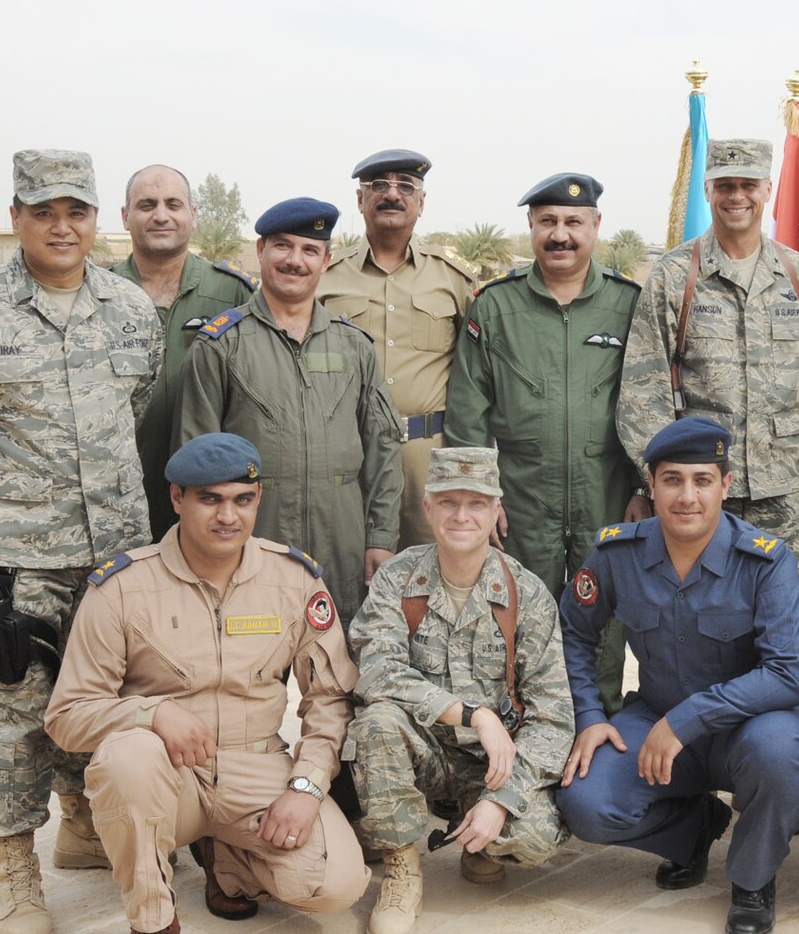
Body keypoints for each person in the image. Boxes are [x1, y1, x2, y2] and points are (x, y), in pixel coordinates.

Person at [0, 148, 161, 934]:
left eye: (75, 211)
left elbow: (137, 401)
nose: (61, 225)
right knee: (16, 713)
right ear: (15, 217)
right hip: (14, 560)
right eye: (43, 210)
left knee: (111, 703)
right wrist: (4, 492)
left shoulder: (130, 311)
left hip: (116, 556)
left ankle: (84, 825)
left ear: (95, 221)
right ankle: (14, 868)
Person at [44, 433, 370, 934]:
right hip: (169, 773)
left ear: (258, 499)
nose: (229, 516)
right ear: (176, 498)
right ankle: (152, 926)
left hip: (256, 763)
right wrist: (150, 715)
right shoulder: (122, 588)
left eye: (243, 500)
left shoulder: (294, 581)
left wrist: (307, 785)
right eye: (210, 500)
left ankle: (227, 860)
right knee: (129, 759)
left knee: (335, 887)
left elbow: (329, 700)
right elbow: (68, 713)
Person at [554, 417, 799, 934]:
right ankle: (693, 829)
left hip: (748, 726)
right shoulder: (616, 554)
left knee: (783, 758)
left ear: (727, 483)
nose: (687, 496)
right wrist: (589, 717)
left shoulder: (767, 560)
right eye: (672, 480)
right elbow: (573, 632)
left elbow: (789, 673)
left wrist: (690, 718)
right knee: (585, 802)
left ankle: (751, 879)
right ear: (650, 486)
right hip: (656, 721)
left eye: (702, 480)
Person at [349, 447, 574, 934]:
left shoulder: (526, 595)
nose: (461, 515)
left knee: (535, 838)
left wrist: (501, 801)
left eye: (476, 503)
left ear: (498, 511)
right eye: (448, 501)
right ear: (427, 509)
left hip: (490, 768)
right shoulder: (397, 579)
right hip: (420, 752)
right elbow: (377, 670)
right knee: (377, 722)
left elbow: (554, 719)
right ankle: (402, 868)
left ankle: (480, 841)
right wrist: (475, 715)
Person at [445, 172, 645, 712]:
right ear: (531, 228)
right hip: (520, 497)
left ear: (596, 226)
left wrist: (644, 489)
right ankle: (519, 729)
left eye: (574, 223)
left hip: (605, 491)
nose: (561, 234)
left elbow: (651, 404)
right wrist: (480, 498)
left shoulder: (629, 305)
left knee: (604, 614)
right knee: (512, 613)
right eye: (548, 222)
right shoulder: (494, 307)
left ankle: (593, 724)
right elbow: (467, 412)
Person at [176, 197, 403, 625]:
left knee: (340, 676)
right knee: (253, 672)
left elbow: (382, 449)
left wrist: (382, 537)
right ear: (261, 250)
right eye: (283, 246)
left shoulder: (354, 346)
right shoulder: (221, 345)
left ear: (326, 261)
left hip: (343, 547)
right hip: (252, 549)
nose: (295, 260)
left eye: (309, 250)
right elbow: (195, 460)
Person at [615, 138, 799, 583]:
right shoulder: (675, 276)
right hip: (701, 493)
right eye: (724, 185)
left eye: (748, 185)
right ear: (707, 191)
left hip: (780, 494)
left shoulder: (795, 276)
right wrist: (660, 481)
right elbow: (642, 392)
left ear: (768, 189)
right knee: (698, 614)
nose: (736, 196)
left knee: (783, 618)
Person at [316, 149, 476, 550]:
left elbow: (481, 372)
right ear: (359, 200)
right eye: (378, 186)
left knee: (433, 570)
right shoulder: (326, 278)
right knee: (347, 565)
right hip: (347, 454)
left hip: (430, 459)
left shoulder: (454, 280)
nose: (392, 194)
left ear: (421, 203)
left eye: (406, 186)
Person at [108, 164, 254, 539]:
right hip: (113, 497)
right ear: (126, 217)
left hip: (208, 497)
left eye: (173, 204)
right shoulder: (98, 294)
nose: (161, 215)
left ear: (193, 215)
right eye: (146, 205)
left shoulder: (234, 295)